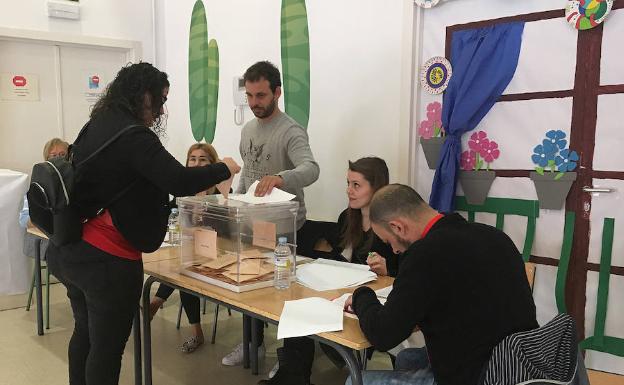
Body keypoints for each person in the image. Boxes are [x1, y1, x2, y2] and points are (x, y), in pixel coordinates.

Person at [45, 62, 241, 385]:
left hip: (71, 250)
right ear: (142, 95)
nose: (161, 110)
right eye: (159, 101)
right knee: (106, 351)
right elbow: (178, 179)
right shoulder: (133, 136)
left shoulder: (97, 124)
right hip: (106, 261)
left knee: (85, 336)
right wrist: (223, 169)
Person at [343, 184, 538, 385]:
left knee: (354, 381)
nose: (393, 250)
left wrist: (361, 295)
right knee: (407, 358)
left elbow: (383, 335)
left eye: (388, 241)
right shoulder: (494, 236)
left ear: (398, 227)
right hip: (521, 365)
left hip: (483, 377)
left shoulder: (424, 255)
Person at [258, 157, 400, 385]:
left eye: (356, 185)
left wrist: (388, 267)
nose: (349, 191)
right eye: (348, 183)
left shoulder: (391, 224)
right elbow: (344, 260)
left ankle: (293, 375)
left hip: (376, 300)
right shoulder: (348, 217)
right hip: (346, 291)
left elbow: (406, 270)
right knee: (300, 307)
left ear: (377, 188)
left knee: (308, 312)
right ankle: (293, 376)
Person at [222, 60, 320, 366]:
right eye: (250, 96)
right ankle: (253, 344)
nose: (254, 103)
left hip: (285, 228)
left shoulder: (291, 131)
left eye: (260, 96)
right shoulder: (248, 128)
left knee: (285, 298)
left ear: (277, 92)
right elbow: (249, 174)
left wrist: (281, 178)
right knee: (251, 290)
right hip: (253, 226)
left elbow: (311, 168)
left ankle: (289, 358)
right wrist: (235, 202)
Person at [149, 143, 221, 353]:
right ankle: (193, 329)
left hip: (214, 253)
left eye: (203, 159)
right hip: (187, 251)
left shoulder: (221, 191)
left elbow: (224, 229)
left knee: (186, 270)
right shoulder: (182, 190)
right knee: (182, 267)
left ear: (212, 164)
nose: (196, 163)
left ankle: (156, 302)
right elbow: (170, 218)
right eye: (193, 159)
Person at [19, 138, 70, 228]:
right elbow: (23, 220)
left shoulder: (76, 178)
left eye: (62, 155)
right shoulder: (38, 182)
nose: (58, 159)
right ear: (47, 159)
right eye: (54, 155)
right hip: (50, 233)